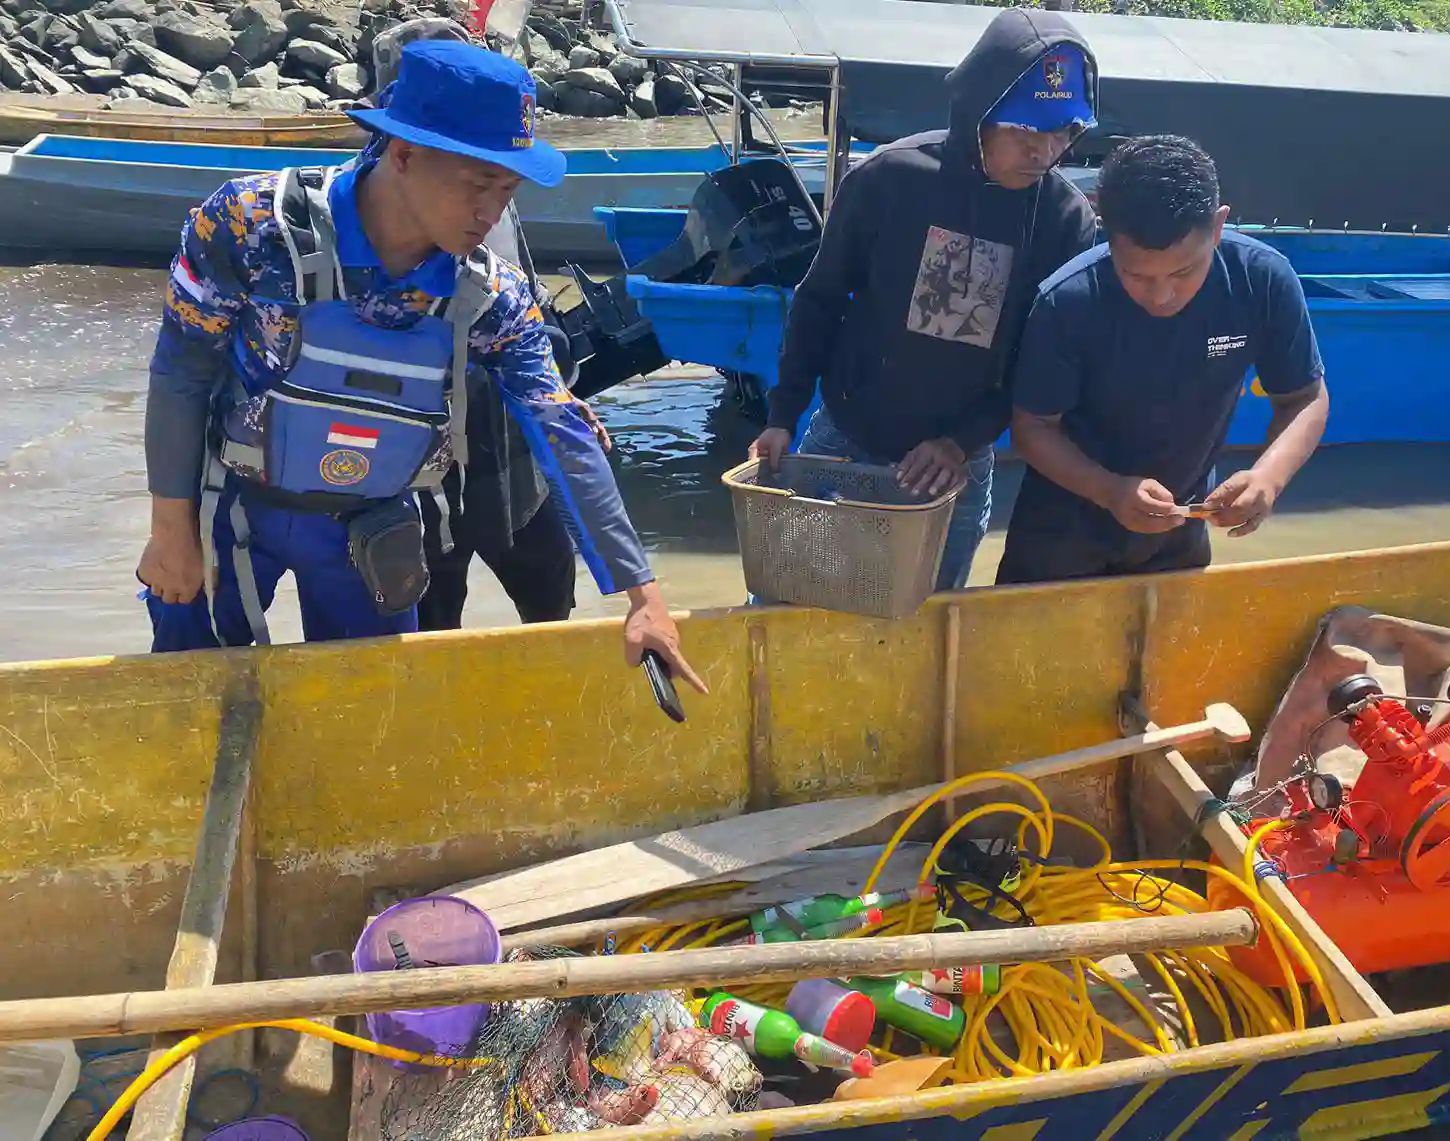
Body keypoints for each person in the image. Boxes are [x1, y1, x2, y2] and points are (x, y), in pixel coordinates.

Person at [136, 39, 706, 693]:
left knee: (369, 718)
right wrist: (168, 530)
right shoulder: (249, 226)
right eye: (477, 184)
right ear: (402, 153)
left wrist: (643, 596)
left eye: (508, 190)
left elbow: (560, 427)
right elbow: (180, 372)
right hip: (229, 512)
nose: (491, 212)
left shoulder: (492, 296)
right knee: (184, 698)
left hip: (366, 531)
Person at [748, 9, 1101, 592]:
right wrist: (783, 414)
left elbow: (1039, 361)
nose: (1044, 151)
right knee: (789, 594)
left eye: (1062, 132)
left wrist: (962, 441)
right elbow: (821, 299)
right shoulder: (890, 179)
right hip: (848, 433)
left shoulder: (1066, 221)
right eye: (1024, 132)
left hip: (957, 459)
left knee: (930, 621)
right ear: (979, 113)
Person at [997, 135, 1330, 585]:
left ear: (1217, 227)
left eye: (1183, 271)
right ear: (1107, 234)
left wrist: (1267, 477)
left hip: (1181, 526)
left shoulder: (1261, 280)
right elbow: (1032, 428)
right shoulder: (1067, 302)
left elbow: (1305, 398)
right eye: (1135, 274)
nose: (1162, 295)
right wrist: (1109, 490)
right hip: (1062, 528)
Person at [360, 16, 601, 630]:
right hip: (417, 456)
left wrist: (561, 391)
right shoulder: (381, 204)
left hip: (505, 435)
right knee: (433, 613)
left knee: (548, 588)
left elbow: (522, 296)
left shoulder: (488, 185)